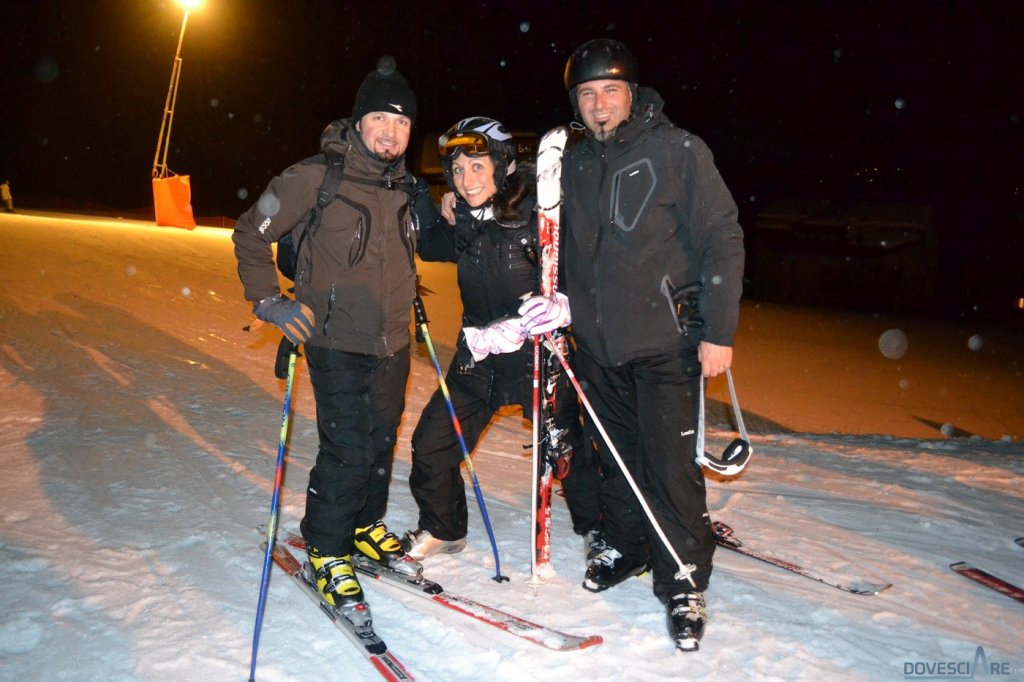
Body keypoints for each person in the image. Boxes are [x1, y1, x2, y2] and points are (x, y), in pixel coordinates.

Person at [518, 39, 745, 652]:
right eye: (586, 94)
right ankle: (626, 544)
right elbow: (546, 236)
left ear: (632, 94)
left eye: (609, 92)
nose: (598, 105)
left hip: (666, 343)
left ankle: (684, 580)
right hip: (595, 344)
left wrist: (719, 332)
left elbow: (722, 238)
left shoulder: (677, 151)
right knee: (614, 458)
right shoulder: (572, 162)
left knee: (669, 468)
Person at [232, 56, 430, 625]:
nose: (390, 132)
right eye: (380, 120)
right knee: (347, 449)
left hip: (392, 342)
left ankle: (364, 525)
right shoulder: (316, 177)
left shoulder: (405, 187)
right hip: (334, 339)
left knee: (381, 439)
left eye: (401, 124)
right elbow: (251, 229)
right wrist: (269, 298)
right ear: (359, 122)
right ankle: (326, 544)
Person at [402, 117, 601, 561]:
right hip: (480, 355)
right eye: (457, 171)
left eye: (477, 166)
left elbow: (591, 276)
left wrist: (565, 305)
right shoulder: (466, 220)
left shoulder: (542, 213)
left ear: (504, 166)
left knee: (565, 449)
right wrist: (420, 194)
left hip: (536, 356)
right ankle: (444, 528)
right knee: (432, 443)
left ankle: (599, 530)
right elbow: (432, 244)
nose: (466, 180)